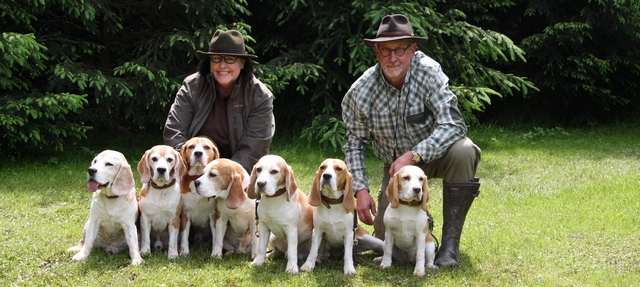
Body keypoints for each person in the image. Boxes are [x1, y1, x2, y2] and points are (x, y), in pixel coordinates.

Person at [341, 14, 481, 268]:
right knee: (390, 245)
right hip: (395, 170)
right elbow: (354, 144)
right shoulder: (360, 91)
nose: (393, 57)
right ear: (376, 52)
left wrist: (414, 154)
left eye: (400, 49)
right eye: (385, 50)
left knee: (465, 150)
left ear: (413, 50)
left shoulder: (429, 73)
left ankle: (449, 246)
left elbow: (454, 123)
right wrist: (360, 190)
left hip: (433, 156)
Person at [163, 29, 275, 172]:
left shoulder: (260, 96)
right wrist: (187, 165)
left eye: (230, 59)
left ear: (242, 63)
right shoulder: (191, 87)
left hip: (239, 171)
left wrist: (221, 173)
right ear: (210, 62)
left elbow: (253, 149)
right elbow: (174, 131)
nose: (222, 65)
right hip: (193, 167)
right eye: (216, 58)